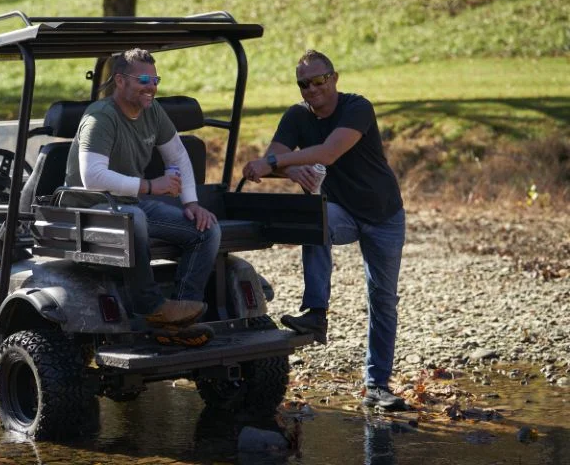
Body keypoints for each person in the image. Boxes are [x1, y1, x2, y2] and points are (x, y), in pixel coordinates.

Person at [242, 49, 407, 411]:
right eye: (304, 83)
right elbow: (273, 161)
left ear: (334, 78)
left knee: (382, 299)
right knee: (314, 220)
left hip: (383, 214)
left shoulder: (357, 107)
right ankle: (316, 315)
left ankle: (377, 385)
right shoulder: (297, 116)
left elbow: (329, 153)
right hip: (341, 211)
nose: (312, 89)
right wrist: (288, 170)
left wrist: (277, 164)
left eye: (319, 80)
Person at [64, 48, 221, 332]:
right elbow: (91, 178)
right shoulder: (100, 117)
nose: (152, 87)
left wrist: (191, 203)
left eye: (155, 80)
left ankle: (182, 315)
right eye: (144, 80)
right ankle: (150, 307)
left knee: (206, 229)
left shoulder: (152, 110)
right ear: (120, 81)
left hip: (130, 202)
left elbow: (178, 156)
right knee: (132, 218)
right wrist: (151, 185)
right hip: (89, 206)